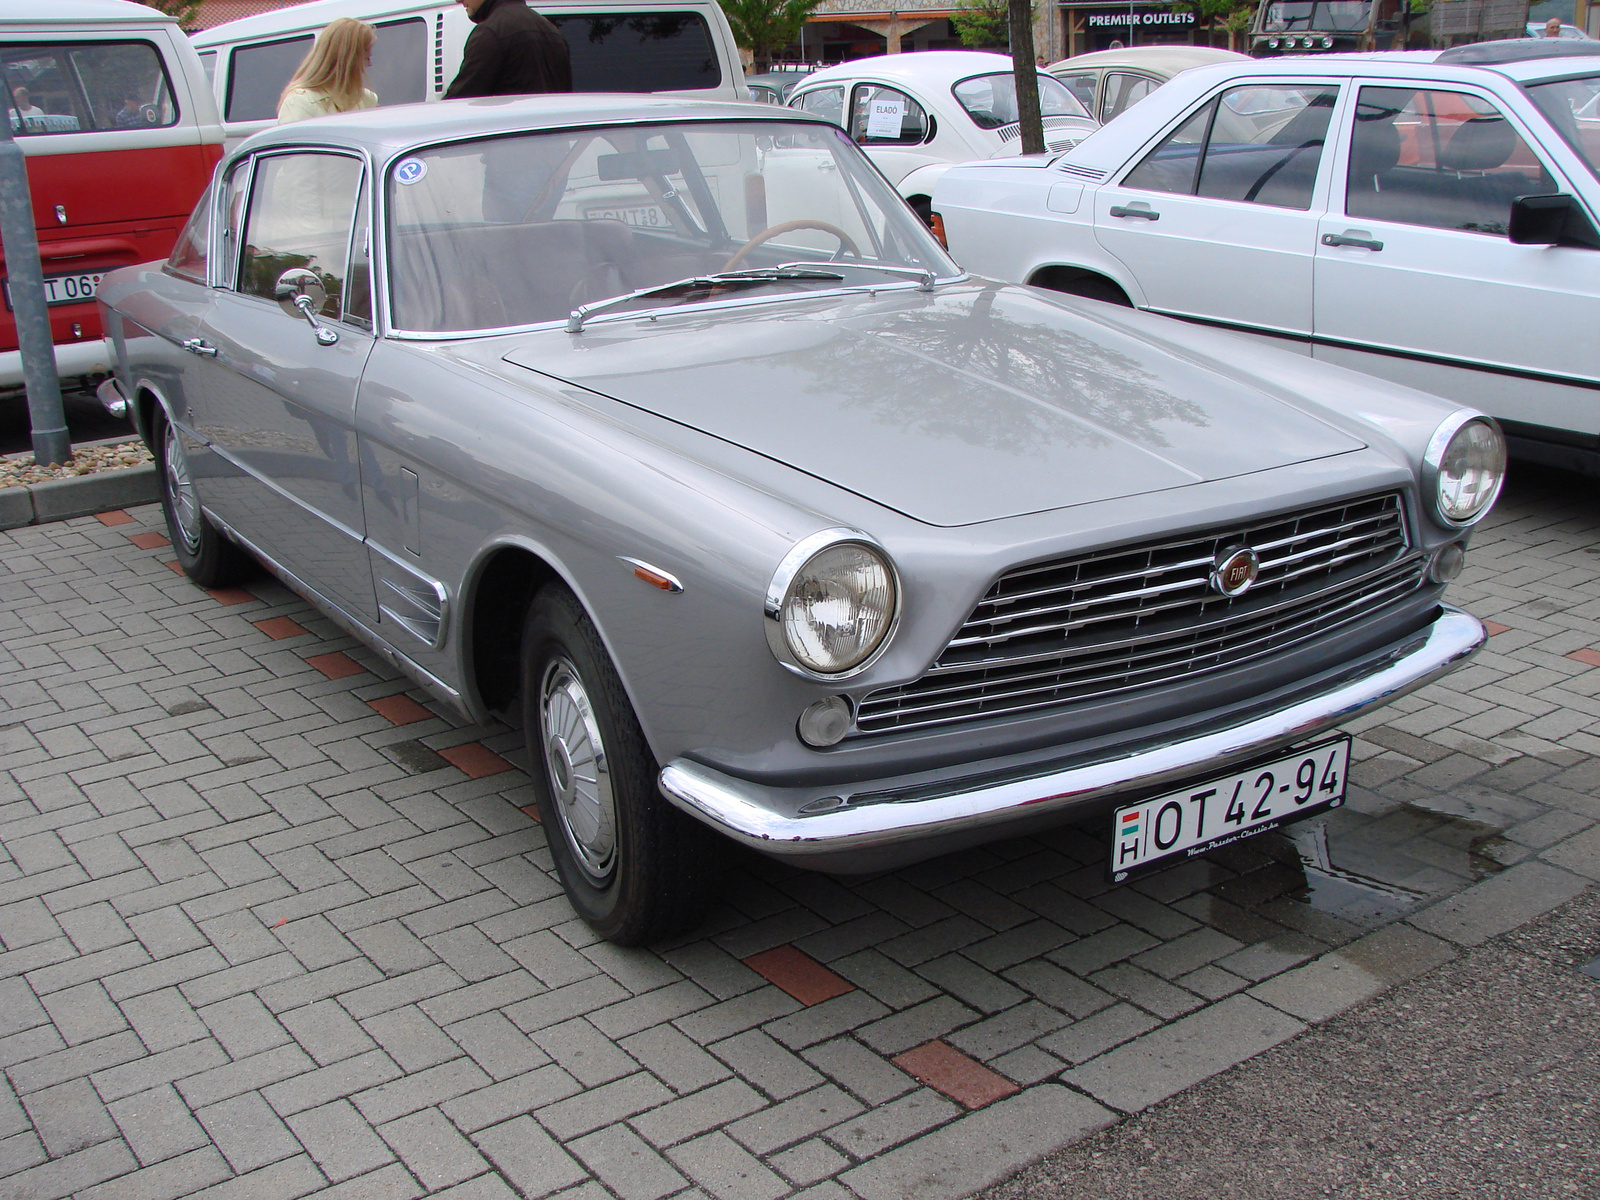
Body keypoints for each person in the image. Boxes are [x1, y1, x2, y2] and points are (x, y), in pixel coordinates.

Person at [444, 0, 571, 99]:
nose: (458, 0)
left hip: (513, 129)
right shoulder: (554, 33)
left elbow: (459, 103)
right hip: (549, 130)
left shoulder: (491, 32)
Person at [277, 17, 378, 123]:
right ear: (348, 61)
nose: (369, 64)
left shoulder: (366, 99)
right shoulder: (300, 102)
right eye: (366, 58)